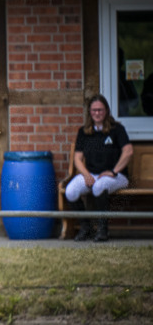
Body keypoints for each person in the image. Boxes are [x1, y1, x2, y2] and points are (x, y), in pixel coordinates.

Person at [64, 94, 133, 241]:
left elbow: (128, 151)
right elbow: (77, 158)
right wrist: (86, 175)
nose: (97, 113)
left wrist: (113, 171)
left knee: (99, 187)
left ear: (106, 111)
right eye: (94, 110)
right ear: (90, 112)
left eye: (100, 110)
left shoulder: (117, 129)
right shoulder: (84, 132)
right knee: (70, 191)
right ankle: (86, 227)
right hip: (92, 174)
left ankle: (103, 230)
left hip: (117, 176)